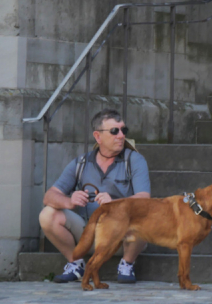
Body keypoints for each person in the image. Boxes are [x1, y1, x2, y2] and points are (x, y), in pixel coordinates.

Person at [39, 108, 151, 284]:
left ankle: (127, 264)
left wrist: (114, 203)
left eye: (123, 130)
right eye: (114, 131)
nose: (121, 135)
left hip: (122, 239)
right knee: (48, 214)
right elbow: (49, 196)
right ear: (98, 137)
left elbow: (145, 198)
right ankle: (76, 263)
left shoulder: (134, 160)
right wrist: (69, 201)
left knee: (144, 215)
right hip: (88, 234)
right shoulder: (81, 163)